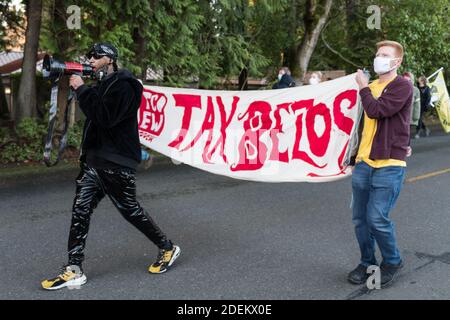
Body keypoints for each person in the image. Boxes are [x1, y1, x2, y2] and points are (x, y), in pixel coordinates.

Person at [41, 43, 180, 291]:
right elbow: (95, 117)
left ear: (110, 59)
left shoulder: (128, 86)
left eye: (96, 55)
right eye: (89, 55)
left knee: (130, 211)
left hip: (117, 163)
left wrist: (82, 89)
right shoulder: (101, 86)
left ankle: (168, 248)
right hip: (94, 162)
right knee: (80, 211)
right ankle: (74, 269)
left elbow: (106, 117)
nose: (90, 59)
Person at [349, 40, 413, 288]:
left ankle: (392, 261)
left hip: (389, 164)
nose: (379, 58)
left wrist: (363, 88)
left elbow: (377, 110)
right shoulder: (370, 86)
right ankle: (367, 262)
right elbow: (358, 126)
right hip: (364, 163)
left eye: (385, 55)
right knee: (360, 219)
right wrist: (353, 157)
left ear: (396, 62)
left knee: (377, 218)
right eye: (377, 54)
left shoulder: (402, 86)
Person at [403, 72, 421, 155]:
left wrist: (416, 117)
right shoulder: (399, 88)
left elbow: (417, 105)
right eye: (404, 79)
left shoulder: (416, 90)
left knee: (407, 133)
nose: (406, 81)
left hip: (409, 116)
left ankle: (406, 148)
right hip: (399, 116)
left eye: (408, 80)